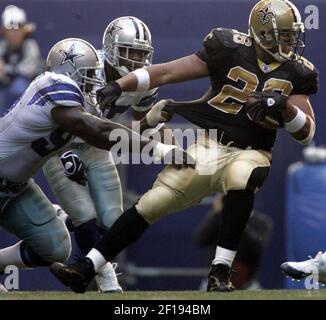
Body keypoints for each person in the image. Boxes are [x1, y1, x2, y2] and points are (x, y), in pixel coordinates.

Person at [49, 0, 319, 293]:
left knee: (242, 176)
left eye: (293, 34)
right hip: (211, 143)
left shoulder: (298, 72)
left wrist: (287, 109)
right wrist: (121, 85)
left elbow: (305, 134)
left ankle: (220, 271)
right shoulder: (228, 48)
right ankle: (86, 266)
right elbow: (165, 72)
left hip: (253, 150)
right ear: (263, 33)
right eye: (285, 34)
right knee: (151, 203)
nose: (292, 41)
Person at [0, 37, 188, 289]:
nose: (94, 82)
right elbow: (96, 129)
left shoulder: (75, 98)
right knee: (84, 217)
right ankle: (102, 273)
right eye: (88, 75)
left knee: (56, 248)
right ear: (67, 71)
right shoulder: (52, 85)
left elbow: (99, 136)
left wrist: (149, 125)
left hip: (16, 187)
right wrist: (158, 149)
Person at [42, 16, 168, 293]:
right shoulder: (85, 65)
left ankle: (67, 229)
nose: (136, 60)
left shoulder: (141, 81)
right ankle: (107, 279)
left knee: (114, 222)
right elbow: (48, 113)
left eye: (141, 54)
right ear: (111, 48)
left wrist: (166, 147)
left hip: (96, 146)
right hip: (58, 145)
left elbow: (142, 121)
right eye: (130, 52)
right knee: (85, 218)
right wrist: (62, 153)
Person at [194, 196, 273, 290]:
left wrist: (238, 221)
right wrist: (218, 214)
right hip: (216, 280)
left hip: (247, 282)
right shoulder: (219, 218)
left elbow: (257, 247)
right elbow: (200, 241)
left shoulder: (260, 222)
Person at [0, 5, 41, 116]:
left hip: (25, 86)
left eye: (17, 30)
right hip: (4, 84)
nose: (14, 33)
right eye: (11, 30)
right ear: (4, 31)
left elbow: (28, 69)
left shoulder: (30, 46)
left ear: (24, 31)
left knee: (18, 87)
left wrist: (7, 70)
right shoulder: (2, 47)